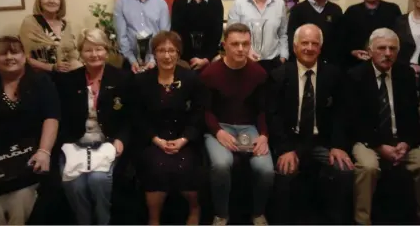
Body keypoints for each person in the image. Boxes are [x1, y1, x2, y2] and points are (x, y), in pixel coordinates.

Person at [347, 28, 420, 225]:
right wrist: (380, 146)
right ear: (370, 51)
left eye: (392, 49)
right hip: (367, 141)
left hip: (401, 141)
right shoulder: (355, 76)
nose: (388, 53)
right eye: (382, 48)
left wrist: (406, 143)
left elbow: (412, 116)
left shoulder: (405, 75)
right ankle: (362, 221)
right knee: (368, 167)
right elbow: (354, 122)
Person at [268, 24, 353, 224]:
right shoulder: (279, 76)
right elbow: (273, 116)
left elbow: (342, 114)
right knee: (285, 171)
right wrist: (285, 149)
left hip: (321, 142)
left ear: (321, 48)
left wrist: (338, 146)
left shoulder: (333, 75)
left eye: (314, 43)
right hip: (291, 141)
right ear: (295, 46)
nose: (309, 48)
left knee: (344, 171)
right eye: (304, 43)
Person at [200, 23, 274, 225]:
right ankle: (221, 214)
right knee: (222, 164)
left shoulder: (258, 73)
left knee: (265, 169)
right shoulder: (210, 73)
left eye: (245, 44)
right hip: (218, 126)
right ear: (225, 45)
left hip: (249, 127)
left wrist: (264, 135)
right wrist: (217, 132)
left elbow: (262, 110)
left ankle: (258, 213)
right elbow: (204, 110)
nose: (241, 49)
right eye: (235, 44)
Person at [55, 28, 131, 224]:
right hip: (76, 143)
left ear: (106, 50)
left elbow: (131, 116)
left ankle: (103, 221)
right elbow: (60, 117)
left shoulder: (121, 78)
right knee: (75, 185)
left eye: (99, 49)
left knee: (98, 180)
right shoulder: (69, 80)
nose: (95, 54)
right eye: (88, 50)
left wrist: (121, 139)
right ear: (80, 53)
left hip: (108, 141)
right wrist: (66, 143)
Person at [132, 31, 204, 225]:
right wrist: (156, 140)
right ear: (154, 54)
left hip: (184, 138)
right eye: (161, 50)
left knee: (186, 166)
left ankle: (194, 209)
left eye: (171, 50)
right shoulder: (142, 81)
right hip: (153, 139)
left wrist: (183, 140)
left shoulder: (191, 79)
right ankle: (154, 218)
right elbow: (137, 117)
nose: (166, 55)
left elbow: (198, 115)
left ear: (178, 54)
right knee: (156, 167)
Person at [0, 35, 60, 225]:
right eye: (3, 53)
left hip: (34, 156)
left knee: (19, 202)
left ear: (25, 56)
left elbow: (51, 118)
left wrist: (44, 152)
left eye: (15, 52)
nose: (10, 57)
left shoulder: (41, 82)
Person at [228, 0, 288, 73]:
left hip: (274, 63)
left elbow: (283, 33)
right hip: (245, 62)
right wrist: (246, 52)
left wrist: (283, 56)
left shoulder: (280, 4)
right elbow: (231, 35)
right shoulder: (239, 4)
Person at [114, 0, 170, 74]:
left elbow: (164, 36)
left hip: (156, 63)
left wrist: (154, 60)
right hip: (130, 63)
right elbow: (122, 37)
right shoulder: (121, 3)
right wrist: (132, 60)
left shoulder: (161, 4)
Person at [19, 0, 82, 73]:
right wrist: (52, 67)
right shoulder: (30, 22)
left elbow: (73, 54)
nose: (51, 0)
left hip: (66, 74)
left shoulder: (66, 24)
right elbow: (25, 57)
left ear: (61, 2)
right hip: (40, 75)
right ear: (39, 0)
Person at [171, 0, 224, 71]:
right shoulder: (179, 2)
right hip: (184, 62)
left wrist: (206, 59)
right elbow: (176, 33)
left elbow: (216, 34)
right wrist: (189, 59)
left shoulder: (216, 3)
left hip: (210, 61)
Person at [342, 0, 402, 69]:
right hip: (356, 65)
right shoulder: (352, 11)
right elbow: (343, 39)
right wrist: (352, 52)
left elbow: (398, 37)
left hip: (386, 63)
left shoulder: (393, 10)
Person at [287, 0, 343, 66]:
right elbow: (292, 41)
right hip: (302, 66)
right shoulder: (297, 10)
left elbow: (340, 42)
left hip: (329, 67)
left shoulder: (336, 10)